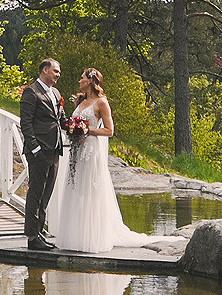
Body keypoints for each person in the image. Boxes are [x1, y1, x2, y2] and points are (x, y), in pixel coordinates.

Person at [51, 68, 161, 255]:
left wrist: (87, 131)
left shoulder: (102, 102)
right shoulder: (80, 101)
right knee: (75, 189)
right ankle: (75, 237)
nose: (79, 81)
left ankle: (91, 238)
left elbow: (109, 131)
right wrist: (72, 129)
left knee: (90, 191)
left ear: (91, 81)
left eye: (82, 78)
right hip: (77, 151)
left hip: (91, 151)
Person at [16, 58, 66, 249]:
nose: (58, 75)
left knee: (46, 194)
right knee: (36, 193)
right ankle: (31, 237)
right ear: (45, 70)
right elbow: (26, 123)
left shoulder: (56, 93)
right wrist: (35, 148)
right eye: (55, 71)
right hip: (39, 151)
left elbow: (60, 119)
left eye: (58, 72)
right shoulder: (31, 92)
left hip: (55, 149)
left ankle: (38, 232)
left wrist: (77, 126)